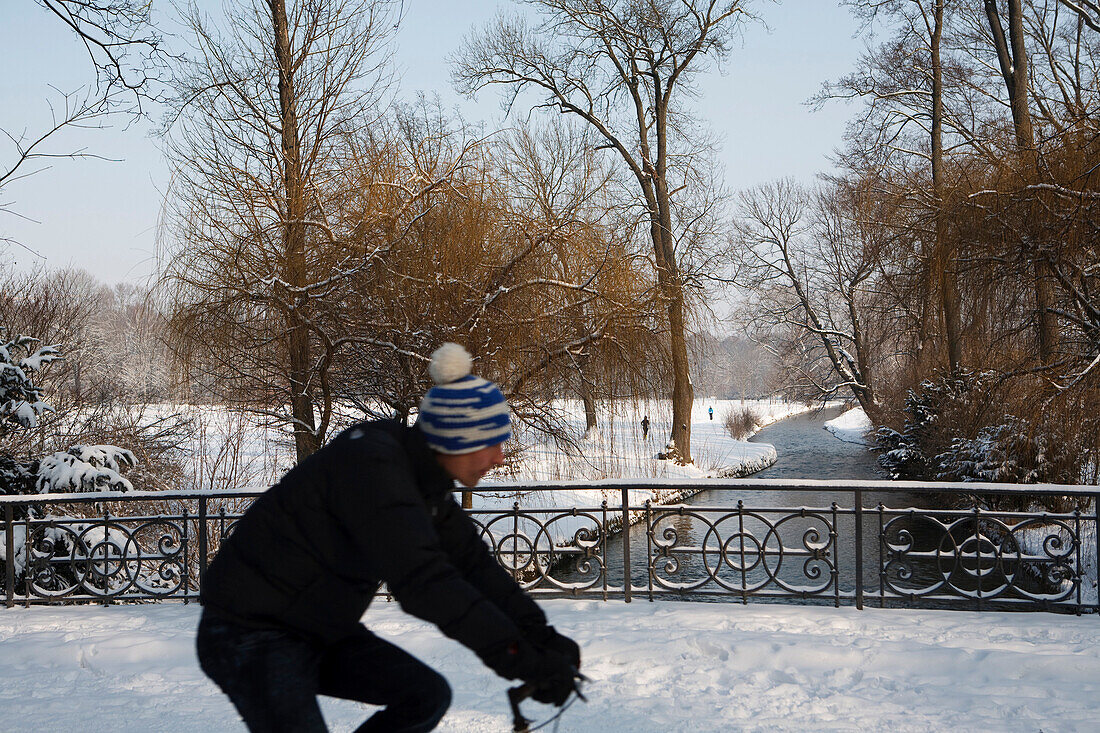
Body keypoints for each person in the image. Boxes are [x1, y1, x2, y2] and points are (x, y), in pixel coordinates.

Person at [195, 343, 581, 732]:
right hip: (248, 632)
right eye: (494, 442)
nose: (500, 456)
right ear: (459, 439)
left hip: (315, 628)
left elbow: (474, 568)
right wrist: (521, 659)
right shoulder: (375, 468)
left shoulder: (424, 484)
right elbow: (426, 583)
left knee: (424, 696)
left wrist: (542, 638)